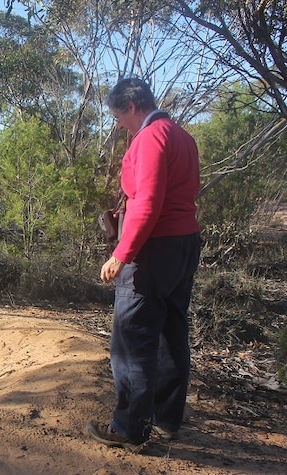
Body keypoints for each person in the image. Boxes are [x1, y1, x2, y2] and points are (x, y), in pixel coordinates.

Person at [87, 77, 202, 450]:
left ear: (133, 106)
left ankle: (130, 428)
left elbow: (149, 202)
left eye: (119, 115)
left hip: (154, 248)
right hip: (184, 243)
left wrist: (123, 253)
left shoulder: (151, 138)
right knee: (171, 329)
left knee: (133, 337)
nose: (119, 123)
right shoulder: (182, 136)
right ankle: (167, 419)